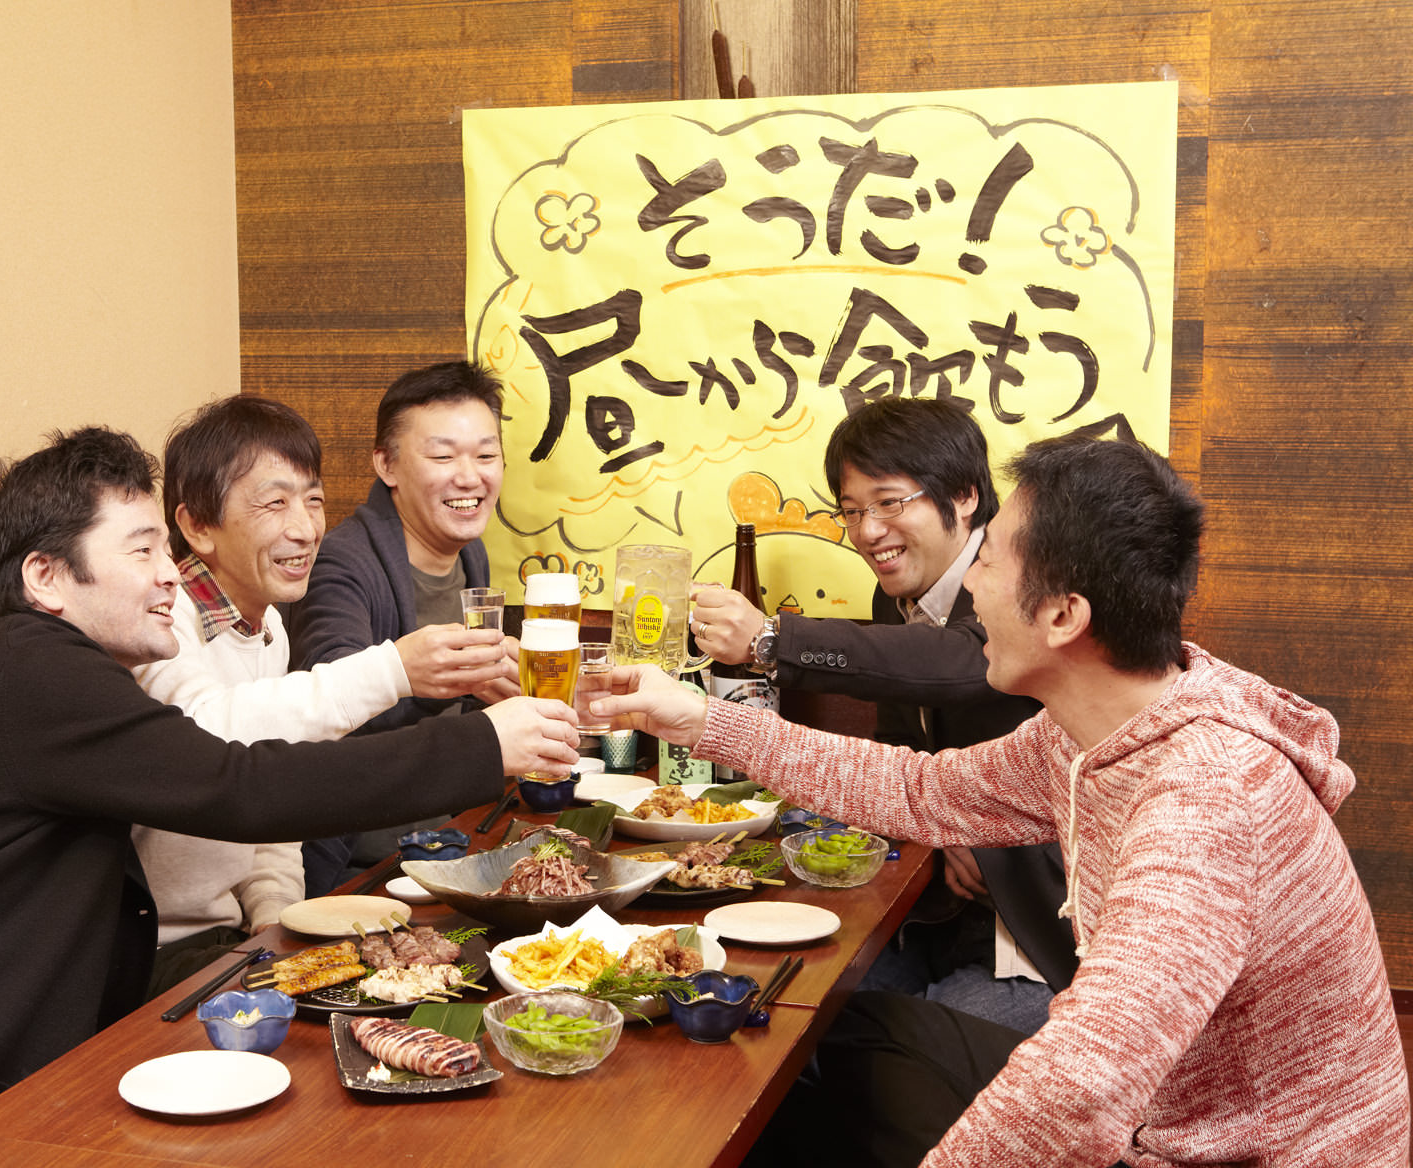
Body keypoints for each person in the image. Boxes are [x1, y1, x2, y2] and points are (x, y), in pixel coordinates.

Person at [0, 427, 577, 1168]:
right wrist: (478, 744)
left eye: (165, 551)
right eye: (141, 551)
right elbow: (237, 783)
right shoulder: (28, 673)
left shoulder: (61, 675)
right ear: (47, 577)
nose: (171, 577)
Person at [599, 435, 1409, 1166]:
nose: (972, 586)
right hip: (1154, 1119)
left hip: (1232, 1151)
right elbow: (921, 790)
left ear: (1062, 615)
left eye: (987, 558)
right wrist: (698, 720)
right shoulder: (1090, 730)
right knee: (837, 1036)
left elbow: (1082, 1084)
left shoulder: (1207, 800)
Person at [690, 398, 1073, 1030]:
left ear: (965, 496)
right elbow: (903, 742)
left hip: (1037, 934)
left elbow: (962, 664)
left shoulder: (1023, 578)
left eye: (890, 503)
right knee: (791, 1013)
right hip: (937, 912)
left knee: (881, 1052)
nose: (868, 531)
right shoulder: (899, 587)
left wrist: (771, 640)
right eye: (852, 510)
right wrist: (944, 829)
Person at [131, 396, 510, 994]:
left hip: (229, 937)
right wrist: (396, 668)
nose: (306, 529)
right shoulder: (159, 620)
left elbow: (271, 802)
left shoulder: (268, 626)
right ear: (198, 526)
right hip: (148, 950)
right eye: (274, 503)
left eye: (313, 500)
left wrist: (275, 924)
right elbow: (209, 739)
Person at [287, 360, 517, 892]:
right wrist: (455, 678)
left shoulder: (470, 553)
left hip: (448, 840)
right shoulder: (342, 563)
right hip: (361, 868)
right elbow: (329, 698)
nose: (470, 477)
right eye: (443, 456)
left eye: (486, 455)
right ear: (386, 465)